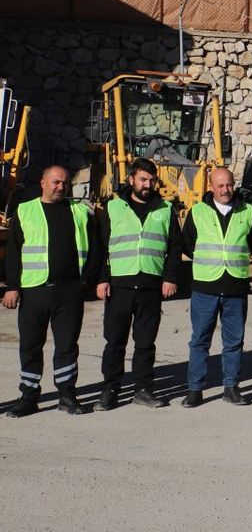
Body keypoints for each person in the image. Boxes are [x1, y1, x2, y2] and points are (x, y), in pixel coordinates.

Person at [4, 165, 100, 418]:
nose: (61, 187)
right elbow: (13, 253)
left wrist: (86, 282)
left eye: (65, 183)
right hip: (34, 290)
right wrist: (12, 287)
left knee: (67, 345)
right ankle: (29, 396)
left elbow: (95, 249)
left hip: (69, 292)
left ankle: (67, 394)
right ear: (43, 183)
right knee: (30, 345)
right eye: (56, 182)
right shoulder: (25, 211)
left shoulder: (79, 212)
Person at [95, 158, 182, 411]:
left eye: (151, 180)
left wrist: (170, 277)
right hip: (119, 285)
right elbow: (101, 248)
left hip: (150, 285)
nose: (147, 184)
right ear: (131, 179)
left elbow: (175, 248)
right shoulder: (113, 208)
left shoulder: (165, 209)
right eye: (143, 179)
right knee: (115, 341)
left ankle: (143, 389)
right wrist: (101, 279)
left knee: (145, 342)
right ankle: (110, 390)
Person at [181, 167, 252, 408]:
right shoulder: (198, 213)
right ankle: (195, 390)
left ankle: (231, 387)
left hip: (235, 286)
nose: (225, 190)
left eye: (229, 185)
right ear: (211, 186)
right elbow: (187, 245)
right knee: (199, 341)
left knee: (234, 341)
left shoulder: (248, 212)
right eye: (220, 186)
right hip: (206, 286)